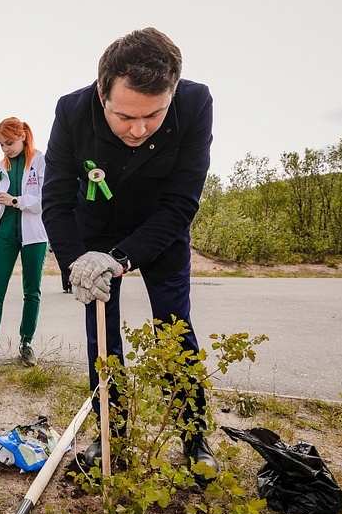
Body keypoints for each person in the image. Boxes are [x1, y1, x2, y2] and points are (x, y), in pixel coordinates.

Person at [41, 28, 217, 477]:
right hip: (95, 229)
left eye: (153, 116)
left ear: (173, 93)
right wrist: (77, 261)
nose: (138, 130)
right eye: (124, 117)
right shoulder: (72, 111)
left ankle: (194, 436)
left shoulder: (196, 105)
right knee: (102, 338)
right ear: (102, 94)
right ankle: (110, 433)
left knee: (174, 330)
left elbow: (181, 202)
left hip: (161, 231)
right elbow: (57, 198)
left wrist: (121, 259)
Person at [0, 118, 47, 368]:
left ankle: (26, 343)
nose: (6, 149)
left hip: (34, 235)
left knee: (32, 290)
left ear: (23, 135)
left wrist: (16, 201)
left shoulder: (40, 161)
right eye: (1, 145)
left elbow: (43, 200)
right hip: (5, 234)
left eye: (9, 143)